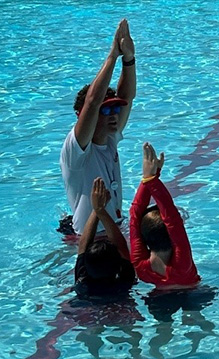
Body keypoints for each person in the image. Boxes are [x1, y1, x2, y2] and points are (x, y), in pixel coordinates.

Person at [59, 19, 136, 236]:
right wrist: (113, 55)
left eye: (114, 110)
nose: (113, 116)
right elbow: (93, 101)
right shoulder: (76, 150)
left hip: (114, 230)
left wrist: (129, 59)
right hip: (89, 238)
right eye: (105, 111)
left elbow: (127, 97)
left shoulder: (110, 137)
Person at [130, 143, 200, 289]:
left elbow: (135, 215)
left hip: (156, 300)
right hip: (193, 296)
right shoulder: (182, 264)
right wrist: (150, 179)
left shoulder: (140, 267)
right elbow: (172, 219)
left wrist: (150, 178)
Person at [74, 178, 136, 299]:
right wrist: (99, 210)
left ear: (85, 267)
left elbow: (83, 245)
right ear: (119, 265)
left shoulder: (83, 284)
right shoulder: (124, 281)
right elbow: (121, 245)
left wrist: (97, 210)